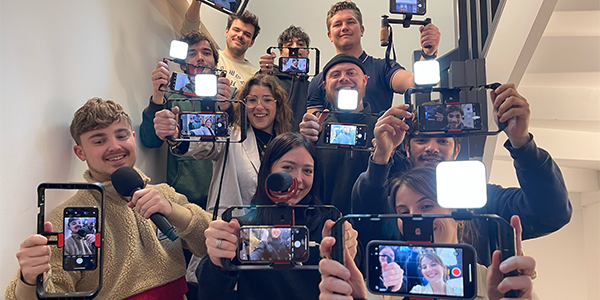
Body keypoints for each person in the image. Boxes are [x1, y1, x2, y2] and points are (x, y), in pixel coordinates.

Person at [5, 98, 211, 300]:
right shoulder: (78, 217)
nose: (114, 146)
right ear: (80, 152)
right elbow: (56, 289)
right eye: (99, 140)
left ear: (132, 137)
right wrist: (29, 281)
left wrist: (172, 210)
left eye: (121, 136)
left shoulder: (164, 194)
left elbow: (209, 244)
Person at [351, 83, 572, 266]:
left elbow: (551, 213)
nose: (431, 148)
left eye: (442, 140)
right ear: (407, 148)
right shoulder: (397, 199)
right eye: (421, 140)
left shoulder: (480, 197)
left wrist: (522, 142)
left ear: (456, 150)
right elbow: (363, 213)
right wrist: (381, 155)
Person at [318, 167, 539, 300]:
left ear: (460, 216)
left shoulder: (497, 285)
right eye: (403, 212)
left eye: (426, 206)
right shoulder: (386, 288)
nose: (415, 218)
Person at [196, 132, 358, 300]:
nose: (298, 179)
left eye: (307, 171)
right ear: (268, 171)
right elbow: (209, 292)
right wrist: (218, 261)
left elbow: (354, 277)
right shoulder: (244, 226)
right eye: (287, 168)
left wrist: (346, 252)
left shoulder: (327, 226)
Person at [154, 73, 293, 216]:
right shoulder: (230, 135)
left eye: (267, 100)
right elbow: (204, 145)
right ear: (243, 104)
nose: (259, 106)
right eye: (252, 100)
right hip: (228, 228)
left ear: (278, 105)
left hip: (272, 226)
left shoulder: (285, 144)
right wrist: (176, 136)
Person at [140, 29, 229, 210]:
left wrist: (227, 107)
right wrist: (158, 95)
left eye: (206, 52)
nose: (200, 58)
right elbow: (150, 141)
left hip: (224, 198)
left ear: (216, 61)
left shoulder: (230, 98)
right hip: (183, 198)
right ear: (181, 64)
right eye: (192, 54)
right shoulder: (171, 98)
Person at [307, 0, 441, 115]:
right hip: (332, 145)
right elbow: (314, 127)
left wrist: (428, 54)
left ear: (362, 30)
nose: (344, 28)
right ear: (330, 35)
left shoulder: (383, 68)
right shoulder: (319, 81)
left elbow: (414, 83)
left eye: (350, 22)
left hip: (380, 143)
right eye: (337, 24)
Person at [299, 53, 379, 214]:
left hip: (372, 228)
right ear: (325, 85)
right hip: (323, 228)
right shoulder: (315, 130)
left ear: (364, 80)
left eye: (351, 73)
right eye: (335, 75)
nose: (343, 78)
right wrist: (304, 144)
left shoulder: (381, 129)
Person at [183, 1, 260, 89]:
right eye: (236, 30)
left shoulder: (256, 74)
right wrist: (197, 2)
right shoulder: (208, 56)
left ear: (252, 42)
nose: (240, 35)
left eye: (247, 34)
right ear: (226, 31)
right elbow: (189, 31)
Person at [259, 25, 312, 131]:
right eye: (289, 45)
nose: (295, 47)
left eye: (300, 44)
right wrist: (262, 74)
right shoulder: (270, 79)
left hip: (299, 143)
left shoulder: (311, 86)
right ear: (281, 53)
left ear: (308, 52)